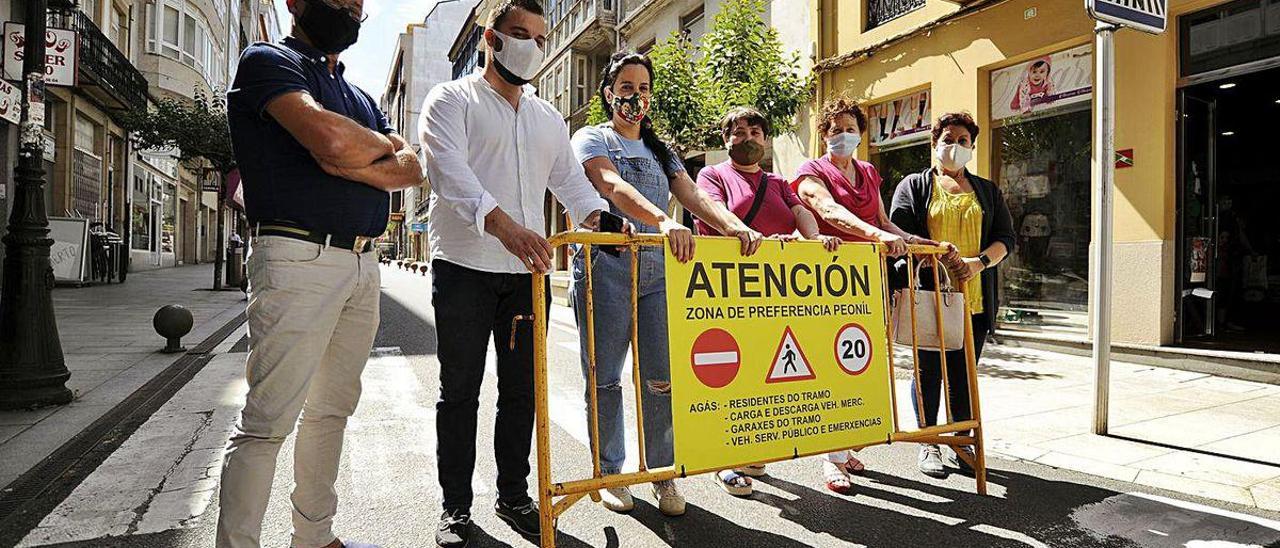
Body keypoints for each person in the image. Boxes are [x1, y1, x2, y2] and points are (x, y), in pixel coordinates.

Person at [218, 0, 424, 546]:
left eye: (357, 4)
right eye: (337, 0)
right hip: (296, 257)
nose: (349, 10)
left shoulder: (357, 95)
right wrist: (362, 151)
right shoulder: (269, 60)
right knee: (267, 422)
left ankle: (314, 537)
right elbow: (330, 141)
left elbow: (412, 167)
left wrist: (359, 151)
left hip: (363, 261)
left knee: (332, 411)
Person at [418, 2, 611, 546]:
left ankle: (514, 495)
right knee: (459, 390)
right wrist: (505, 227)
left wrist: (606, 222)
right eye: (520, 34)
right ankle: (455, 509)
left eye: (540, 38)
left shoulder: (547, 117)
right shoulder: (450, 100)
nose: (531, 45)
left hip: (527, 277)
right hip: (463, 269)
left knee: (522, 391)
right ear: (492, 38)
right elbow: (447, 172)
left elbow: (573, 187)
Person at [569, 52, 764, 517]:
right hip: (606, 269)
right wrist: (661, 219)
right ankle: (611, 472)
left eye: (643, 88)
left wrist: (736, 226)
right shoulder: (592, 137)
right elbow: (610, 184)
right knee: (606, 377)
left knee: (662, 380)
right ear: (609, 93)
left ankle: (662, 475)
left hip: (659, 273)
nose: (636, 96)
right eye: (627, 87)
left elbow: (692, 194)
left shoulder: (663, 150)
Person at [791, 97, 931, 494]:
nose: (843, 135)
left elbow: (883, 220)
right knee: (830, 364)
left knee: (861, 363)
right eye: (834, 129)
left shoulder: (868, 171)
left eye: (850, 128)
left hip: (870, 281)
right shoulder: (811, 171)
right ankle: (830, 457)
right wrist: (878, 236)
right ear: (823, 134)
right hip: (828, 281)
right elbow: (829, 211)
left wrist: (909, 238)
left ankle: (846, 444)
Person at [889, 112, 1015, 479]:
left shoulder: (987, 191)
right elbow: (900, 235)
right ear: (934, 143)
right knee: (929, 373)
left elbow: (1006, 239)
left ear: (972, 147)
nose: (955, 146)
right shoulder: (913, 186)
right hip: (930, 299)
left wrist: (979, 263)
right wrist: (932, 257)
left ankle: (961, 442)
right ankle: (930, 442)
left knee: (963, 375)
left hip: (973, 299)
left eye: (963, 141)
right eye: (948, 138)